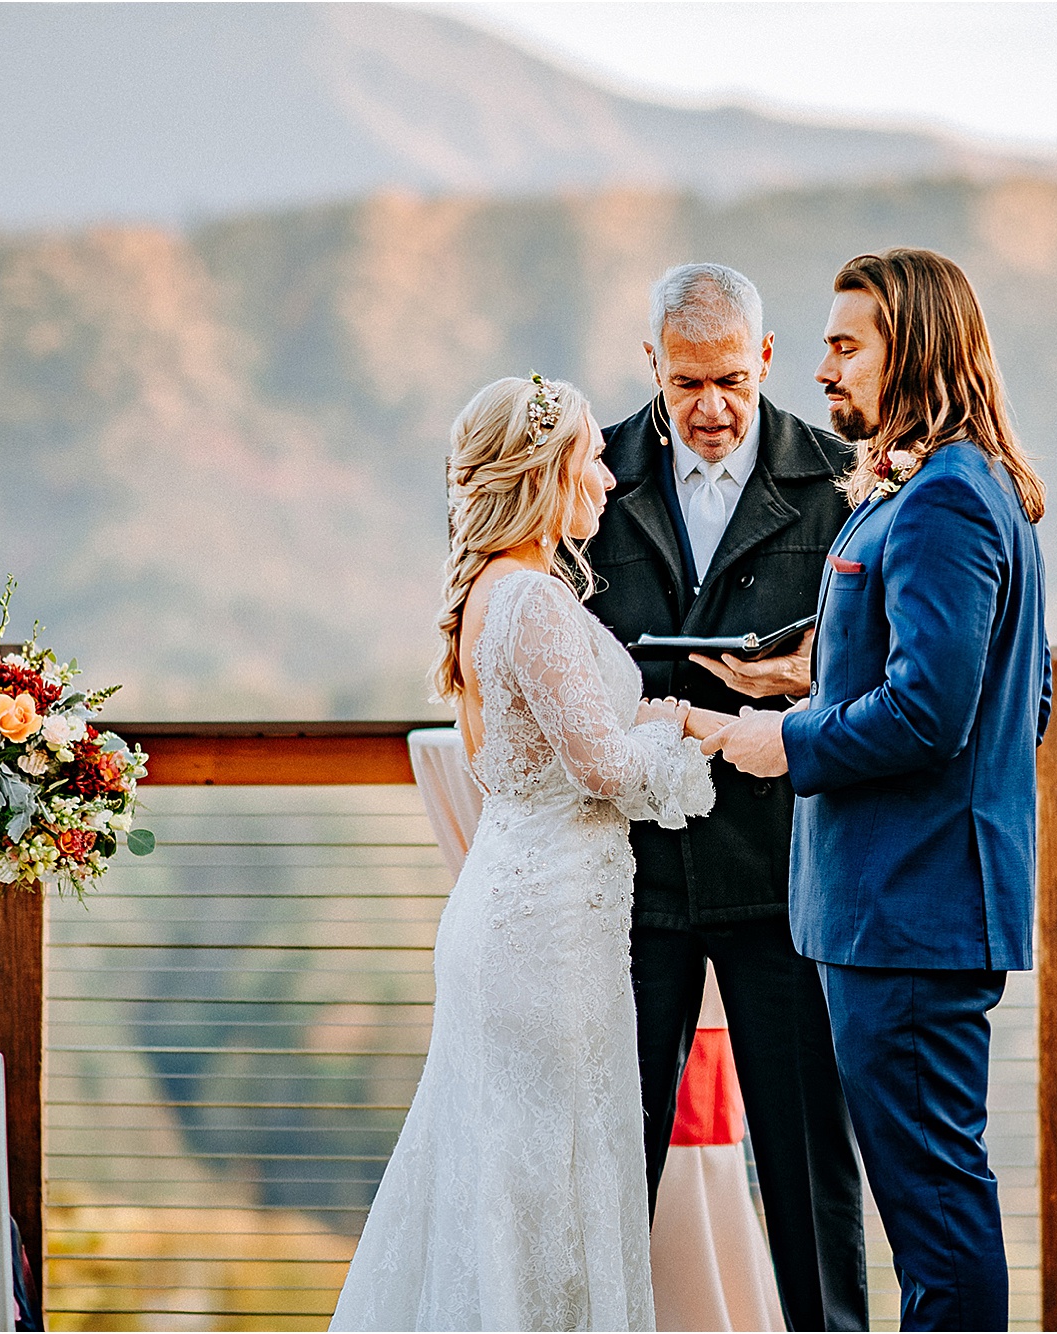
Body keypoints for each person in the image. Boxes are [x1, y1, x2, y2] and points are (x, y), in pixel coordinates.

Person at [331, 375, 723, 1331]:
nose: (607, 477)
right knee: (542, 1178)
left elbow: (571, 734)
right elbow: (600, 767)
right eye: (591, 456)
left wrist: (663, 714)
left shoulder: (493, 596)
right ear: (546, 472)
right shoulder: (535, 604)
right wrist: (699, 743)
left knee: (511, 1171)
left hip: (528, 908)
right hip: (544, 932)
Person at [708, 248, 1050, 1331]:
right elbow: (1004, 688)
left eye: (844, 344)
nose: (819, 370)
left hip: (907, 911)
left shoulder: (946, 497)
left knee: (934, 1217)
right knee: (931, 1203)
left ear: (915, 349)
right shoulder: (941, 484)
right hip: (901, 907)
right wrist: (810, 667)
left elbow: (933, 712)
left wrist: (788, 740)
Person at [585, 262, 866, 1331]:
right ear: (651, 363)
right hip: (634, 878)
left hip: (784, 871)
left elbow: (879, 655)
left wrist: (804, 678)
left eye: (730, 382)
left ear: (763, 356)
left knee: (807, 1163)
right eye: (685, 382)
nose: (709, 408)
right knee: (615, 1153)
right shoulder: (593, 473)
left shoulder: (840, 476)